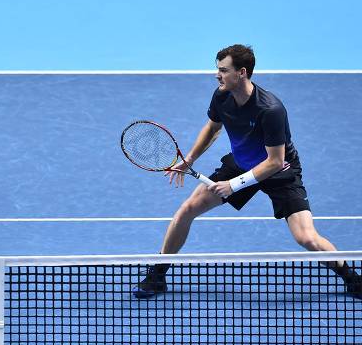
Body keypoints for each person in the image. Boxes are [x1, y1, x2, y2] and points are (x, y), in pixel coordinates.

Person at [133, 44, 361, 300]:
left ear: (241, 72)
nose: (217, 75)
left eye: (223, 70)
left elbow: (275, 162)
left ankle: (352, 279)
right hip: (241, 163)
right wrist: (189, 158)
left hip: (278, 172)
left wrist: (234, 185)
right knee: (187, 210)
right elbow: (213, 128)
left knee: (307, 238)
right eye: (217, 69)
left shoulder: (270, 109)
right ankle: (158, 275)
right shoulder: (221, 96)